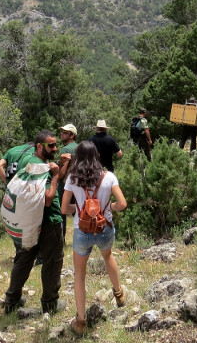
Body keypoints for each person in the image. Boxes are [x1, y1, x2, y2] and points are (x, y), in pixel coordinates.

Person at [61, 140, 127, 336]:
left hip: (82, 231)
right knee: (108, 257)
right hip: (104, 228)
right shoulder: (109, 177)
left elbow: (64, 209)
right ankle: (119, 294)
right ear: (97, 156)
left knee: (79, 275)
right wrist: (108, 208)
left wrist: (78, 209)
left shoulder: (72, 178)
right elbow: (122, 203)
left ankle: (81, 321)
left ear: (78, 158)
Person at [4, 130, 71, 315]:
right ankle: (50, 304)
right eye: (51, 145)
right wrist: (56, 175)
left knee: (24, 259)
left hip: (29, 221)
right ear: (39, 146)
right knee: (53, 262)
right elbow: (48, 199)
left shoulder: (29, 161)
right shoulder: (40, 167)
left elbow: (42, 174)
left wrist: (58, 165)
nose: (55, 148)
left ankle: (11, 301)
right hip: (49, 220)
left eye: (56, 144)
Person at [57, 124, 79, 237]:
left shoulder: (66, 149)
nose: (62, 134)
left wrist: (57, 178)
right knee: (78, 210)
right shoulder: (79, 147)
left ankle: (61, 239)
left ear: (72, 135)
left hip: (65, 185)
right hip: (79, 184)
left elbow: (62, 172)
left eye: (65, 132)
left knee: (62, 212)